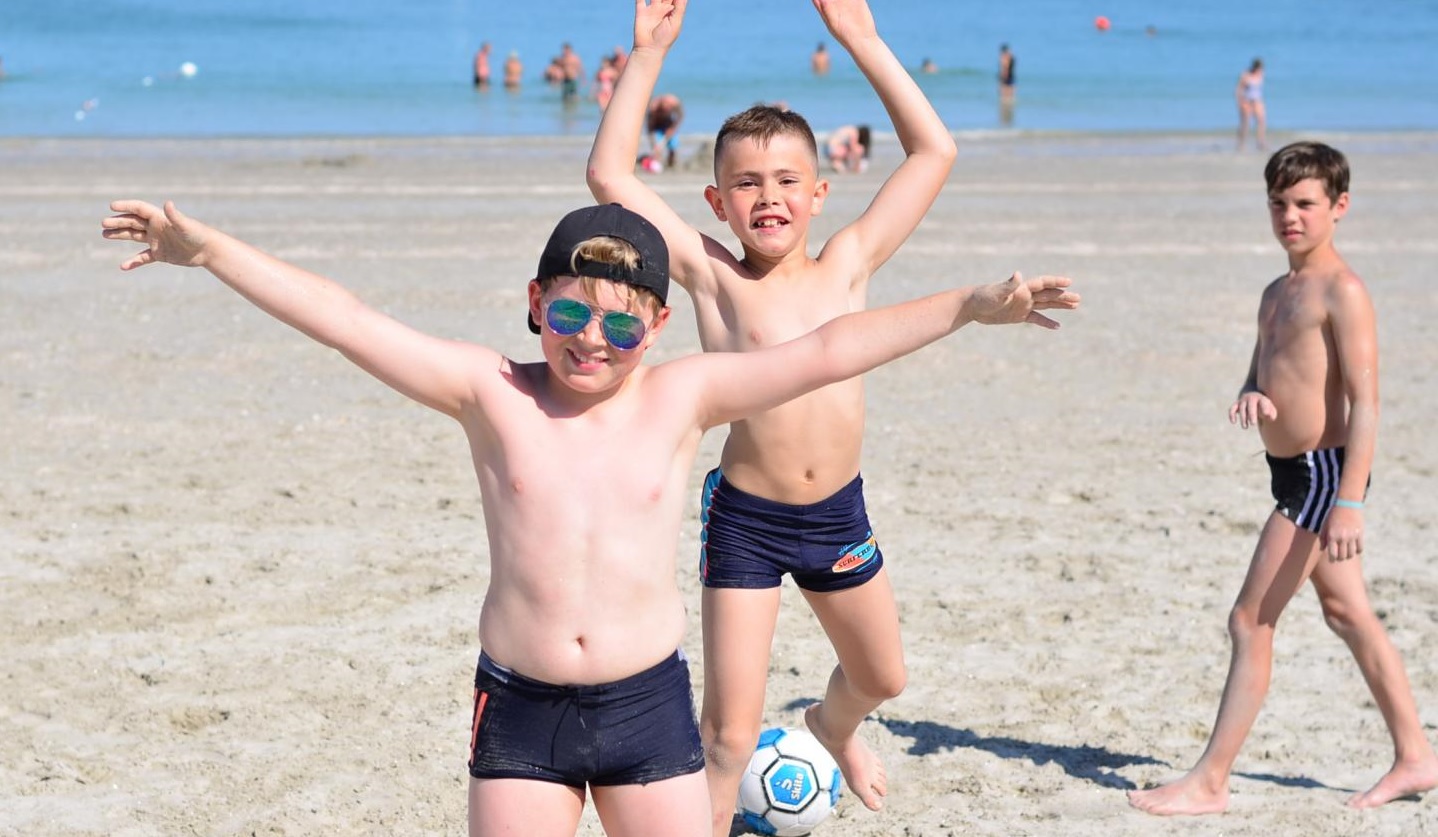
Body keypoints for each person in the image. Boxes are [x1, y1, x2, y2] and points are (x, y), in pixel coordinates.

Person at [100, 198, 1076, 837]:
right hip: (519, 707)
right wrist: (211, 251)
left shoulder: (682, 396)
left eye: (620, 324)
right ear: (535, 306)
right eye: (569, 317)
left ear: (656, 325)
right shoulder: (489, 393)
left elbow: (828, 348)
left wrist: (962, 307)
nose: (592, 343)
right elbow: (348, 317)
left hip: (646, 708)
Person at [587, 0, 971, 832]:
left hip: (839, 511)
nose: (769, 197)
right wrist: (646, 54)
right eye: (747, 183)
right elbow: (610, 177)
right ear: (717, 201)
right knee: (725, 734)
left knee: (881, 677)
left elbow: (935, 151)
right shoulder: (711, 275)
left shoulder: (850, 263)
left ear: (820, 191)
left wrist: (861, 39)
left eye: (787, 180)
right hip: (747, 523)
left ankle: (832, 729)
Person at [1127, 142, 1438, 816]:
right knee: (1347, 610)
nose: (1289, 216)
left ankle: (1209, 781)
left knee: (1249, 619)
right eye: (1278, 202)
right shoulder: (1277, 291)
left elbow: (1366, 402)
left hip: (1322, 479)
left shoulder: (1343, 290)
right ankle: (1417, 755)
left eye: (1305, 204)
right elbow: (1263, 365)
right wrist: (1251, 393)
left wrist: (1350, 502)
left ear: (1339, 207)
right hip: (1289, 471)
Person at [645, 93, 684, 169]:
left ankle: (671, 164)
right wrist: (653, 140)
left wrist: (673, 128)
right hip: (656, 126)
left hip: (668, 125)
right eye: (664, 108)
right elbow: (650, 126)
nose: (667, 109)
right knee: (656, 146)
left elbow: (680, 116)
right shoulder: (654, 107)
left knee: (673, 145)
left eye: (668, 108)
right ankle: (656, 163)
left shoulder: (674, 102)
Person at [1236, 58, 1267, 151]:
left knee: (1261, 122)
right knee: (1245, 124)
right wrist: (1240, 102)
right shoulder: (1246, 75)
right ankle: (1241, 144)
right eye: (1258, 68)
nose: (1260, 70)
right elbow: (1239, 89)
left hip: (1257, 100)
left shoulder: (1261, 74)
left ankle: (1260, 142)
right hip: (1247, 101)